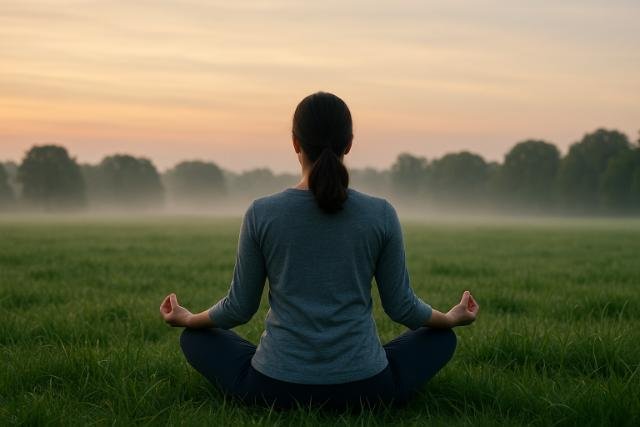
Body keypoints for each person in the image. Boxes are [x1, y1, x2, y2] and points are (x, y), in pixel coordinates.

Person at [159, 91, 479, 410]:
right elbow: (402, 308)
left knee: (194, 337)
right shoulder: (381, 213)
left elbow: (238, 309)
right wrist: (449, 318)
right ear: (349, 143)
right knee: (441, 337)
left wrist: (190, 318)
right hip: (367, 388)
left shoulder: (261, 212)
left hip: (273, 387)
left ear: (295, 143)